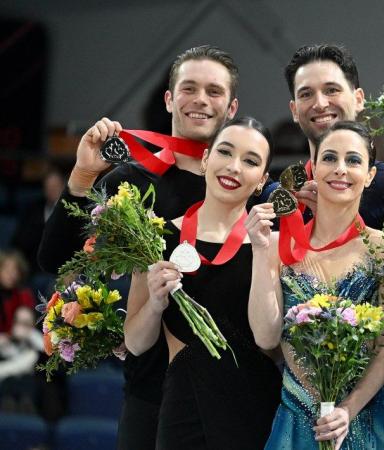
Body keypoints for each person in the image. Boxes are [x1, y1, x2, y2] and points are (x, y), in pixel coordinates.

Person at [36, 45, 255, 449]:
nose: (201, 100)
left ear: (231, 106)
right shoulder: (131, 180)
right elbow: (54, 258)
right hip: (149, 390)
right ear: (169, 99)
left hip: (236, 393)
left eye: (214, 91)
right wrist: (83, 174)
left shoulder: (252, 189)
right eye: (189, 88)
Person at [247, 121, 384, 449]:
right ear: (314, 168)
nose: (340, 169)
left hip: (362, 419)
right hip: (295, 418)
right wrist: (261, 251)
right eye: (330, 158)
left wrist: (347, 411)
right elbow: (266, 336)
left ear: (370, 175)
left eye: (353, 160)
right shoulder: (278, 244)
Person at [124, 117, 281, 449]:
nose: (234, 167)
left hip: (254, 406)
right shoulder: (156, 237)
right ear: (206, 159)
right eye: (225, 152)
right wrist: (154, 304)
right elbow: (136, 344)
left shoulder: (272, 243)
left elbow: (268, 341)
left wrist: (263, 251)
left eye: (250, 161)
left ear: (261, 181)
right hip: (184, 405)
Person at [283, 44, 384, 230]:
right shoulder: (284, 198)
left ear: (359, 99)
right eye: (306, 94)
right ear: (295, 111)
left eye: (331, 90)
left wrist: (333, 220)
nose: (320, 104)